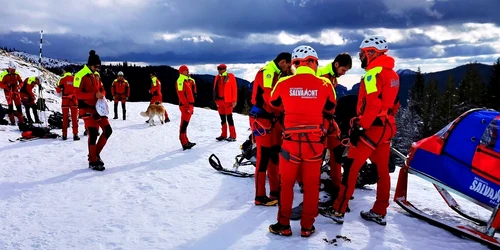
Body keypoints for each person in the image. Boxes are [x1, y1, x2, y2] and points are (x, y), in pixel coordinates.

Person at [325, 35, 400, 226]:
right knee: (382, 171)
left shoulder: (372, 75)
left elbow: (373, 105)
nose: (360, 58)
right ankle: (380, 211)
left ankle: (338, 210)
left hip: (371, 128)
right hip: (386, 127)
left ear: (372, 53)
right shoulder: (393, 75)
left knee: (350, 168)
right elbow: (394, 104)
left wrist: (360, 127)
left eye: (362, 54)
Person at [268, 45, 336, 237]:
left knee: (286, 184)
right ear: (313, 62)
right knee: (312, 185)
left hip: (290, 142)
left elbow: (273, 103)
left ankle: (284, 225)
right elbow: (331, 108)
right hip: (314, 144)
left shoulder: (284, 83)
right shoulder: (325, 84)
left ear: (295, 63)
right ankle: (307, 227)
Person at [249, 52, 292, 206]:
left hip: (272, 121)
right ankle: (260, 196)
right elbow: (270, 99)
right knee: (263, 158)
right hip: (262, 121)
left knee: (274, 155)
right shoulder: (267, 73)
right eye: (288, 64)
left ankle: (275, 191)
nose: (289, 68)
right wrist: (289, 109)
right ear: (282, 62)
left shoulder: (277, 73)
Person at [317, 53, 352, 200]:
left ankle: (337, 185)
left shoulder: (331, 76)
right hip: (320, 121)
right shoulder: (323, 75)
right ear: (336, 65)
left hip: (329, 120)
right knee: (319, 152)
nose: (344, 74)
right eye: (343, 70)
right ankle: (312, 184)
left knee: (336, 150)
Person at [74, 50, 112, 171]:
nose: (98, 68)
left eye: (99, 66)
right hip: (86, 109)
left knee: (108, 130)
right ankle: (92, 160)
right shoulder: (80, 75)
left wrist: (102, 94)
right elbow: (77, 94)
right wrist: (93, 95)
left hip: (98, 109)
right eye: (96, 66)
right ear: (90, 64)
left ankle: (95, 154)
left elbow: (102, 89)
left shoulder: (96, 75)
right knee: (93, 133)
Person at [213, 64, 238, 141]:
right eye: (218, 69)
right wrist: (215, 99)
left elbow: (234, 89)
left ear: (225, 69)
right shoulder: (217, 77)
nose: (219, 70)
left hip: (228, 101)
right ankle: (223, 135)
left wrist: (234, 100)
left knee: (229, 118)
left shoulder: (230, 76)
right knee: (223, 119)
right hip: (219, 101)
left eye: (220, 69)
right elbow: (214, 88)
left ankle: (233, 136)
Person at [176, 65, 197, 150]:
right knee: (183, 125)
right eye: (186, 70)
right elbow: (181, 95)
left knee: (185, 124)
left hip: (189, 105)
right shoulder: (180, 81)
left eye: (188, 69)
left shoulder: (188, 80)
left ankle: (186, 141)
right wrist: (187, 106)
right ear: (182, 71)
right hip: (185, 106)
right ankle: (184, 143)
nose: (188, 71)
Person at [56, 65, 80, 140]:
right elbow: (78, 90)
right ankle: (75, 134)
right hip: (74, 100)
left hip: (65, 100)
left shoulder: (62, 79)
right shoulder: (75, 79)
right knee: (74, 118)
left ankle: (64, 135)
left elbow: (58, 90)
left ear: (65, 71)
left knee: (65, 118)